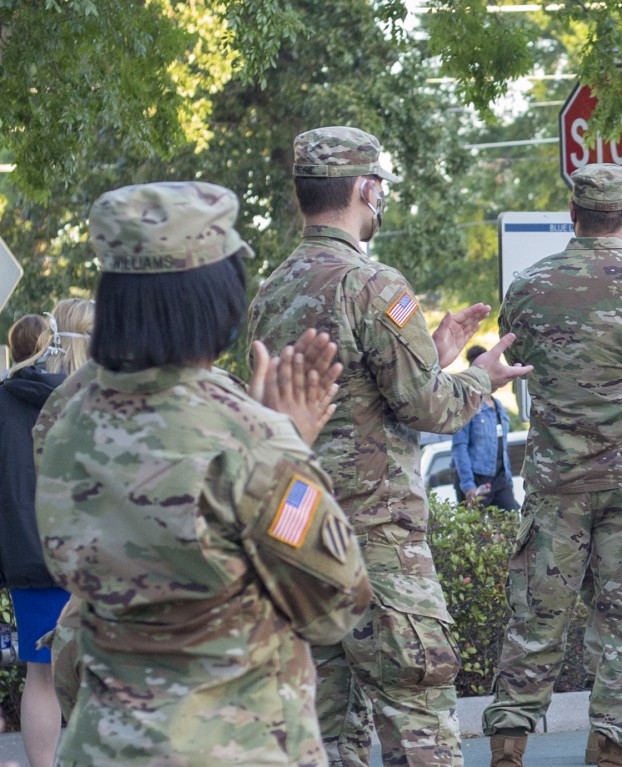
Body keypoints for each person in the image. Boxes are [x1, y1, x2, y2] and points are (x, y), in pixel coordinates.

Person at [36, 181, 372, 766]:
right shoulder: (244, 434)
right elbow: (334, 604)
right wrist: (289, 444)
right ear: (215, 295)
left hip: (101, 745)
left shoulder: (65, 417)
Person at [249, 126, 530, 767]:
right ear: (367, 189)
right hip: (376, 539)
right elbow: (426, 406)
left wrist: (434, 353)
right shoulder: (372, 284)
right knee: (418, 710)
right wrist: (478, 381)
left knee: (323, 728)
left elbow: (343, 393)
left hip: (300, 532)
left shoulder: (272, 291)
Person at [481, 163, 622, 767]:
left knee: (536, 613)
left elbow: (517, 360)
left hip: (557, 479)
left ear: (572, 210)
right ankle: (611, 744)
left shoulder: (530, 285)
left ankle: (508, 744)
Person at [0, 299, 90, 767]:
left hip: (28, 556)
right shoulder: (95, 401)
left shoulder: (3, 399)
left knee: (41, 675)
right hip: (93, 562)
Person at [450, 344, 521, 512]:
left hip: (500, 478)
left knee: (512, 520)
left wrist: (508, 478)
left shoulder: (499, 407)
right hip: (476, 479)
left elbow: (502, 447)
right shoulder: (467, 406)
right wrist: (468, 485)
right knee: (476, 532)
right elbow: (459, 448)